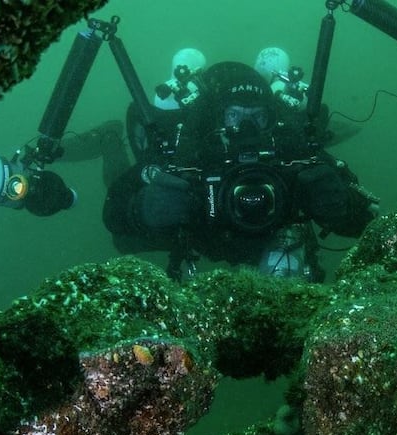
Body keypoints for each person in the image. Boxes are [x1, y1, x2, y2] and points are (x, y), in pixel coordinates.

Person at [100, 48, 379, 281]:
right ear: (218, 117)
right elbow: (113, 213)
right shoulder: (191, 150)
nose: (245, 127)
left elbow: (369, 219)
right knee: (124, 242)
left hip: (273, 240)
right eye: (234, 115)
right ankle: (109, 140)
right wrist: (143, 209)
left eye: (256, 116)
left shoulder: (289, 148)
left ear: (271, 119)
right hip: (200, 235)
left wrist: (341, 206)